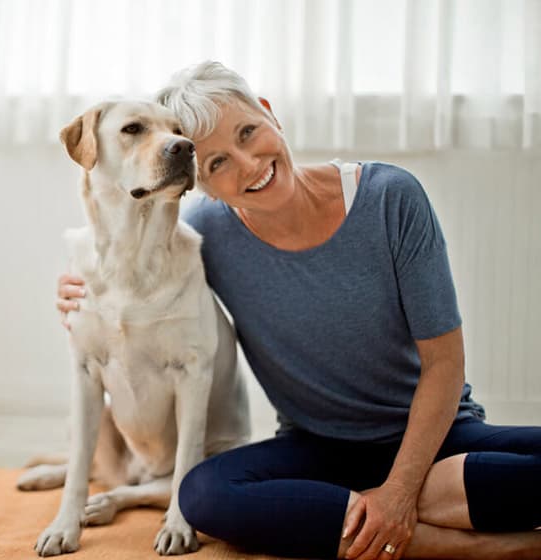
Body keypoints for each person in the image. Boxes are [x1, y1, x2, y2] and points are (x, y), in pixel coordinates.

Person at [55, 61, 541, 560]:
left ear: (270, 114)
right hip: (317, 451)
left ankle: (372, 507)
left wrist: (400, 488)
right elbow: (131, 270)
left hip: (434, 436)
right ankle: (486, 546)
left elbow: (444, 365)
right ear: (198, 180)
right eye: (217, 163)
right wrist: (77, 289)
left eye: (248, 132)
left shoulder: (391, 197)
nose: (247, 164)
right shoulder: (205, 235)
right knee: (202, 495)